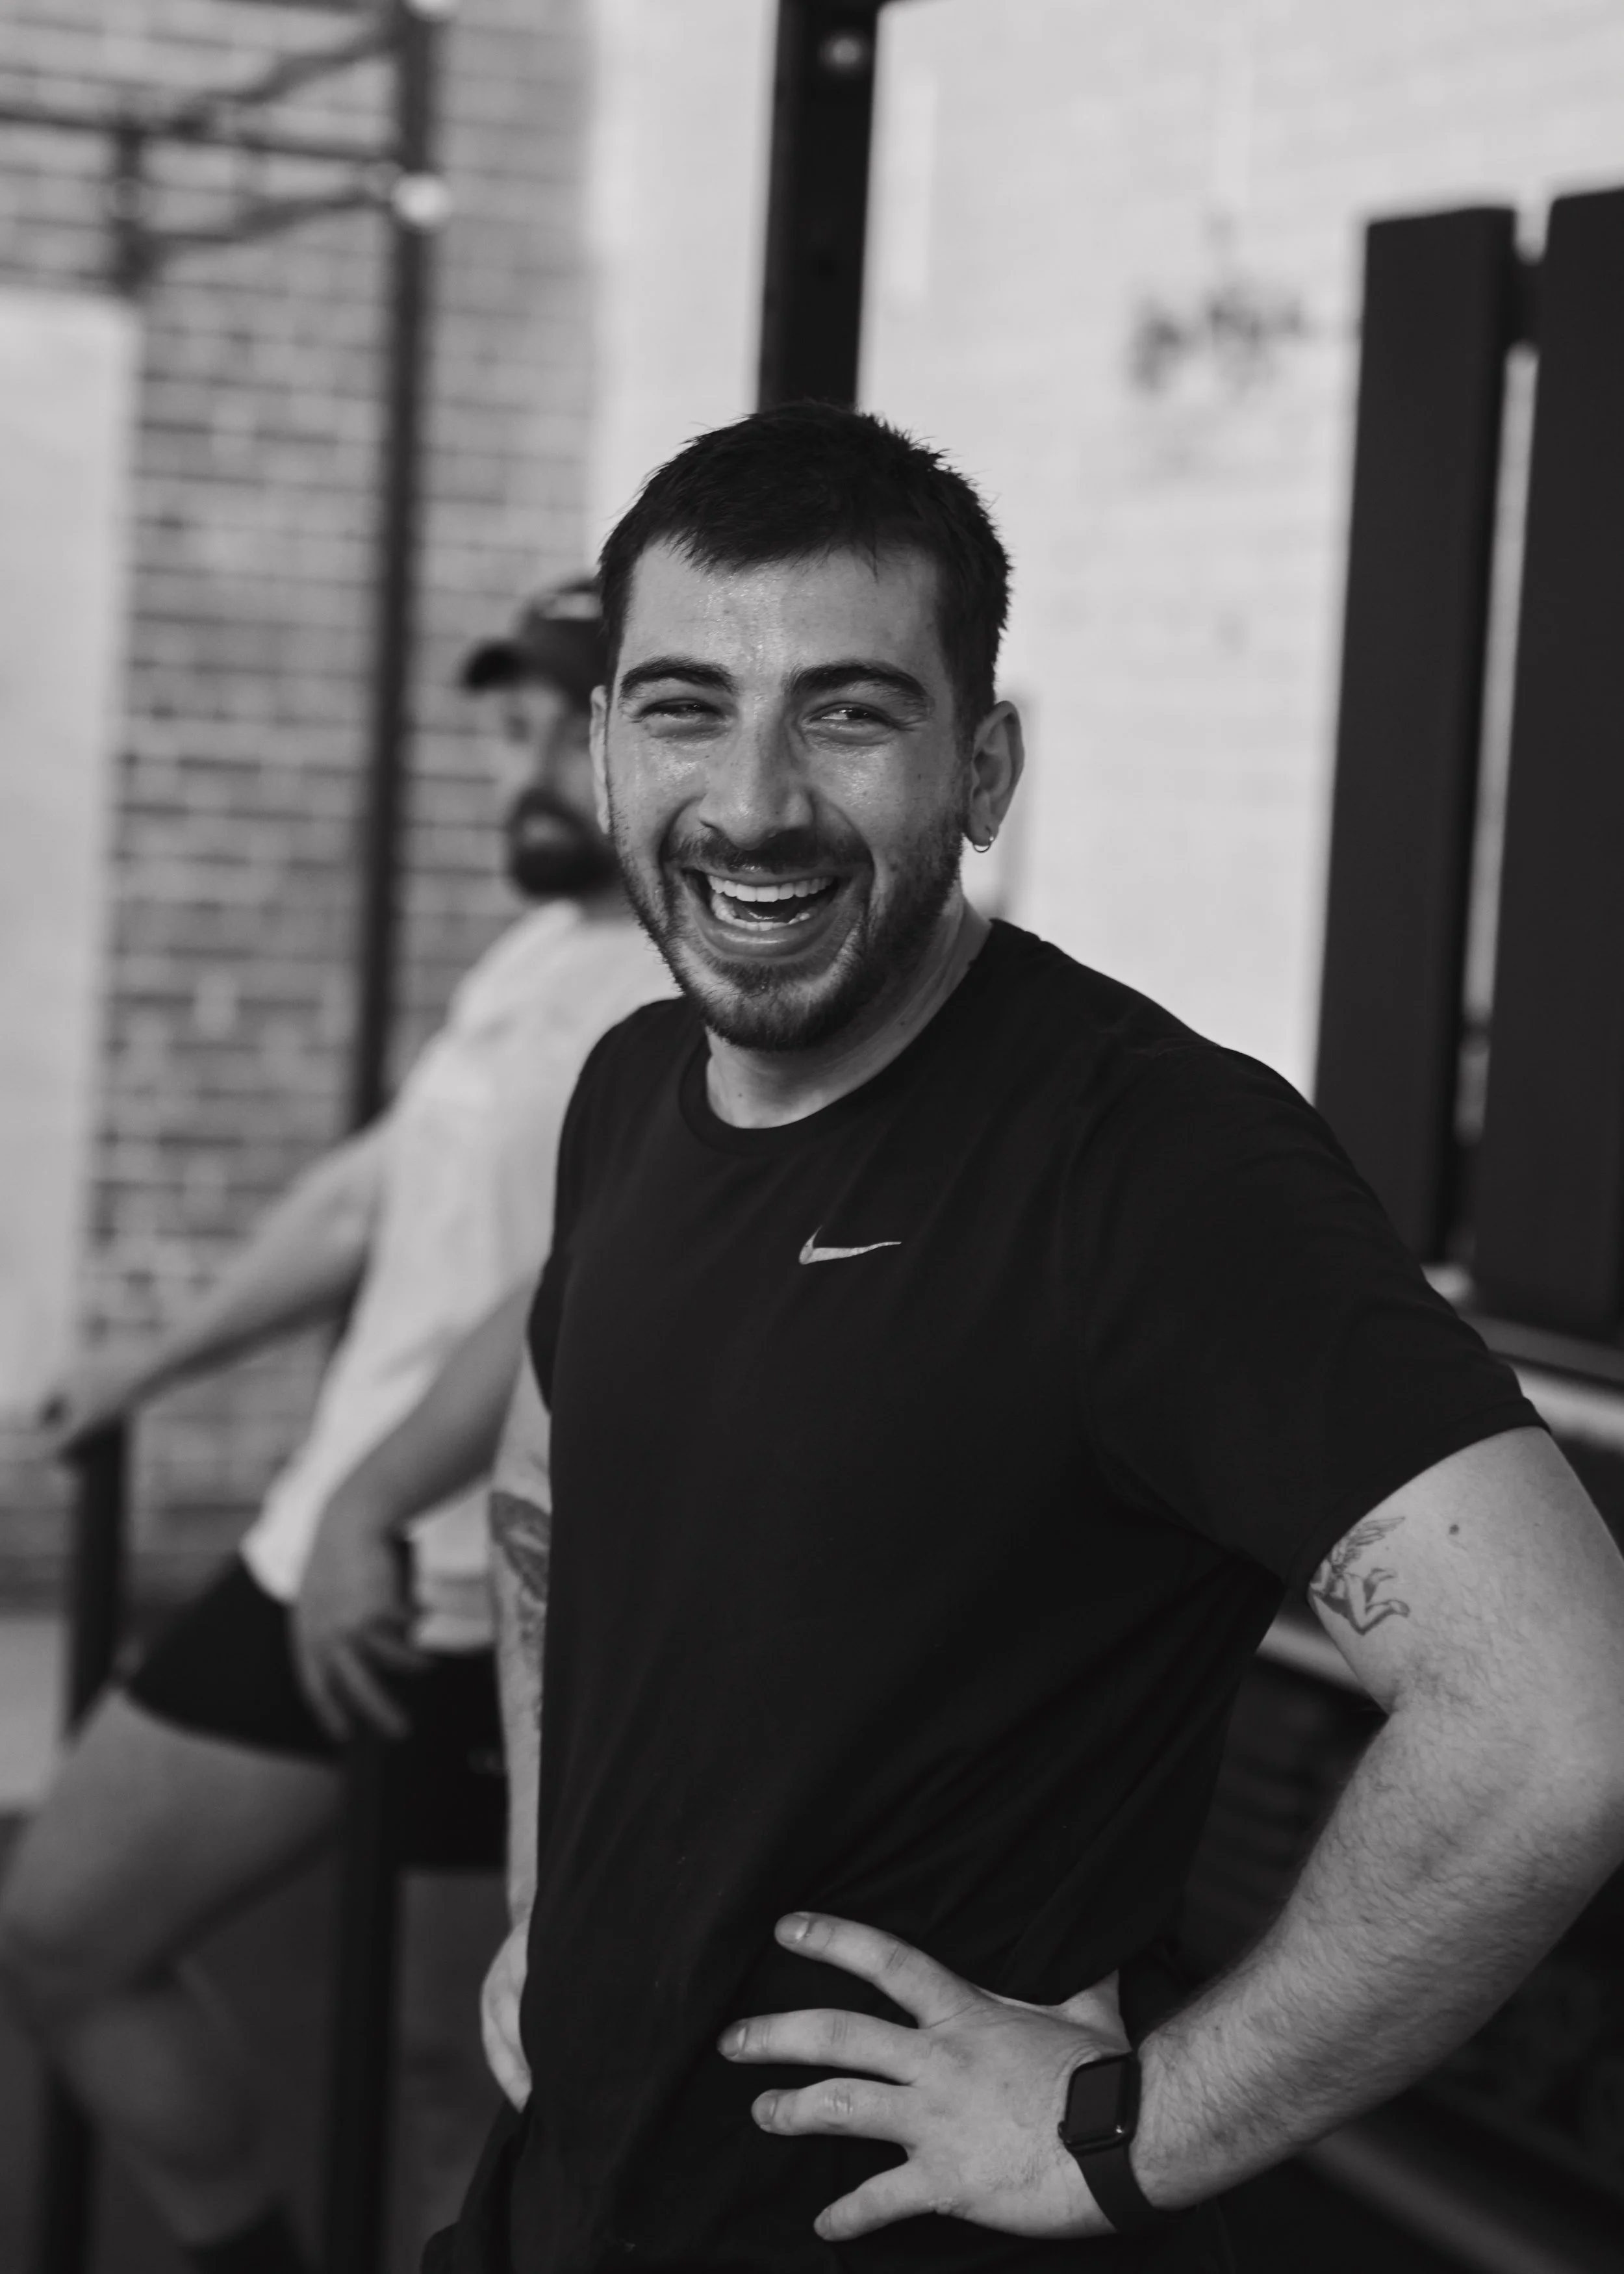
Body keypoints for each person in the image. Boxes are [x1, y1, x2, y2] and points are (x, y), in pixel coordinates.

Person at [439, 404, 1624, 2274]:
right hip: (567, 2179)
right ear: (602, 749)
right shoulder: (634, 1081)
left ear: (982, 766)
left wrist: (1130, 2129)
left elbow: (1565, 1711)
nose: (751, 799)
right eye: (680, 706)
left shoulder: (1151, 1163)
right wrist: (545, 1898)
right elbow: (548, 1489)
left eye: (847, 711)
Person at [0, 580, 670, 2274]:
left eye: (559, 729)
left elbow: (559, 1303)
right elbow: (364, 1194)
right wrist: (151, 1361)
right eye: (505, 728)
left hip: (475, 1608)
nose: (515, 769)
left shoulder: (670, 1004)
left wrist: (384, 1501)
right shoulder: (534, 956)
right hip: (330, 1552)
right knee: (66, 1926)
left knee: (464, 2073)